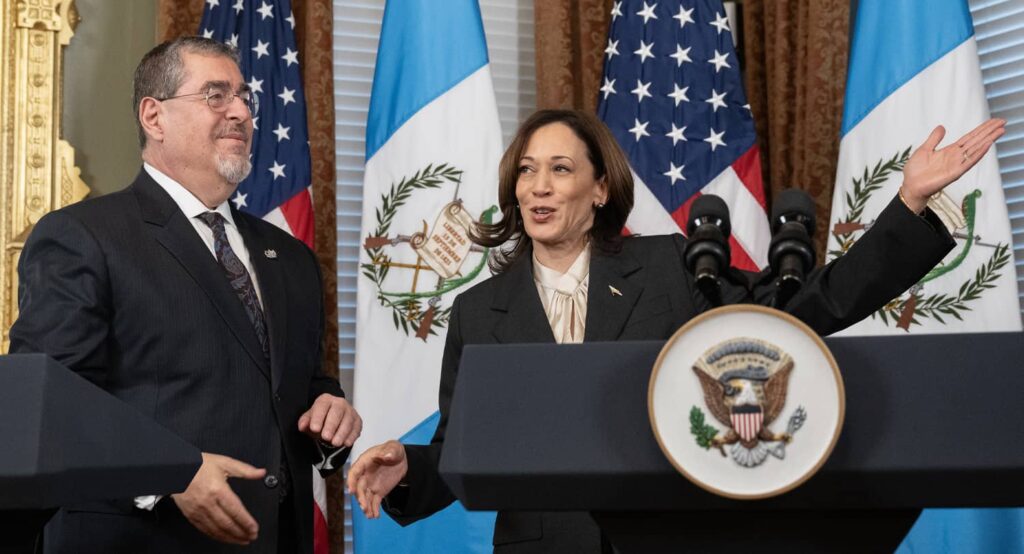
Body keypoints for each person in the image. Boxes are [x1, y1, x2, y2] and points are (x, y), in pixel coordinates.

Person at [346, 109, 1004, 553]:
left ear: (600, 189)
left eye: (560, 168)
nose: (537, 186)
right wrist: (409, 469)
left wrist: (909, 204)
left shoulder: (673, 267)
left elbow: (805, 310)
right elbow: (467, 454)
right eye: (525, 169)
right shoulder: (478, 310)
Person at [9, 37, 361, 553]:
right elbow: (51, 408)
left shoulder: (290, 258)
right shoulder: (83, 237)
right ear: (154, 117)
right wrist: (170, 473)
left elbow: (303, 385)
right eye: (215, 95)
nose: (240, 110)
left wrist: (330, 413)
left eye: (244, 97)